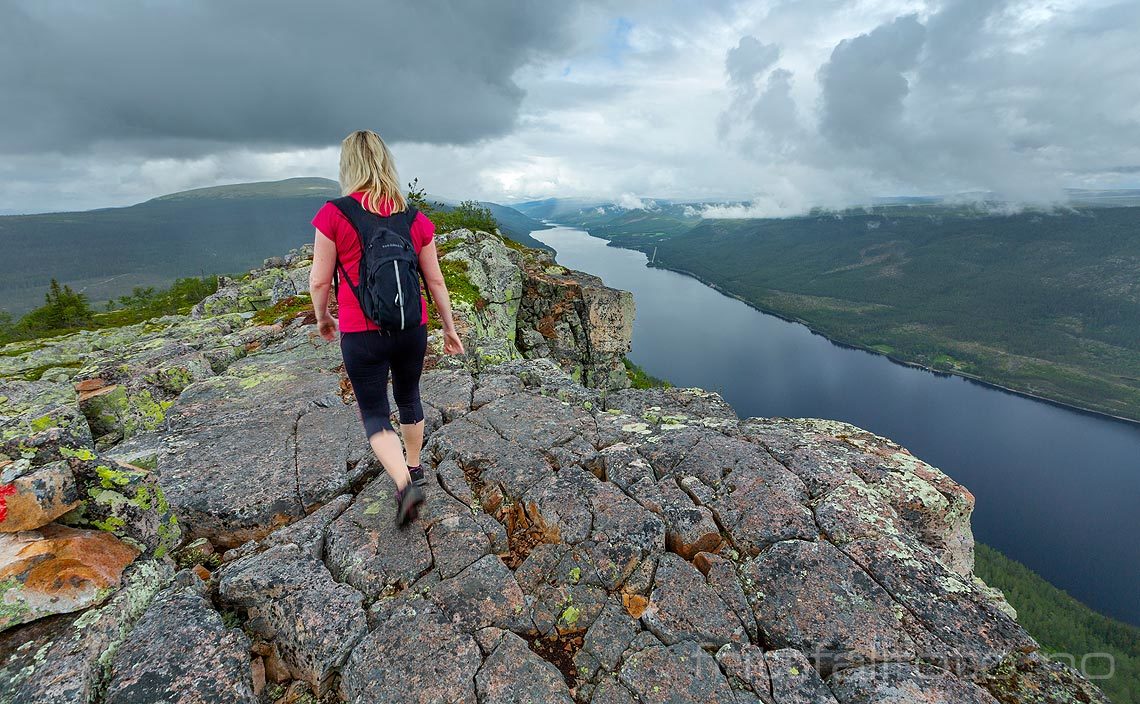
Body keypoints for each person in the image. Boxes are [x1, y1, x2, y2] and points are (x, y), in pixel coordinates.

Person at [309, 129, 465, 527]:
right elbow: (436, 281)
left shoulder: (334, 213)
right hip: (413, 328)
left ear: (349, 165)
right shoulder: (415, 219)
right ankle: (414, 467)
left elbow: (319, 281)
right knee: (410, 395)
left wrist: (325, 318)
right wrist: (449, 328)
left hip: (362, 333)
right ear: (386, 162)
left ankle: (402, 484)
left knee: (375, 410)